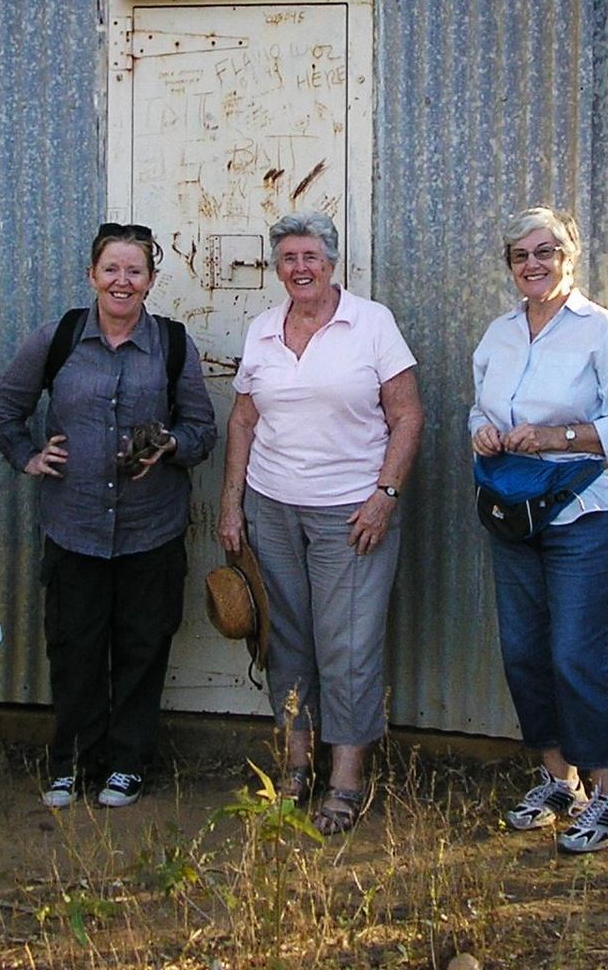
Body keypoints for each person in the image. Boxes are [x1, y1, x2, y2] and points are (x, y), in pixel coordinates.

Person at [0, 222, 216, 810]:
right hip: (75, 527)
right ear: (92, 275)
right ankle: (71, 763)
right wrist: (28, 456)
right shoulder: (57, 338)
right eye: (111, 269)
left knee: (142, 648)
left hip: (151, 530)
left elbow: (202, 430)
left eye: (134, 271)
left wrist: (171, 446)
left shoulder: (174, 344)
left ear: (151, 281)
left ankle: (127, 764)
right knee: (75, 648)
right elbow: (2, 411)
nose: (122, 281)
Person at [217, 212, 422, 836]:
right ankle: (296, 767)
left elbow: (408, 416)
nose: (299, 268)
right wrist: (231, 503)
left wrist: (385, 495)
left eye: (310, 256)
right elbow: (244, 421)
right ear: (277, 268)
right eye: (288, 258)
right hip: (272, 508)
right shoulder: (262, 330)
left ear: (332, 263)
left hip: (350, 512)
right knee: (286, 639)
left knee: (348, 646)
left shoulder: (372, 324)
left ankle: (347, 778)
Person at [469, 206, 608, 854]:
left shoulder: (603, 331)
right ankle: (559, 781)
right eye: (521, 255)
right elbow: (476, 407)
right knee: (524, 651)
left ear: (569, 257)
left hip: (586, 508)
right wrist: (483, 432)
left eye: (545, 252)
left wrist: (557, 437)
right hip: (514, 507)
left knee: (578, 653)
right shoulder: (498, 335)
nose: (533, 265)